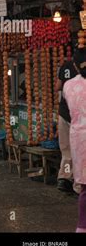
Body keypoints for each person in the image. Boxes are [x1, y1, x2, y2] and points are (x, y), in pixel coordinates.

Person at [62, 48, 86, 233]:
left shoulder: (68, 86)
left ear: (76, 66)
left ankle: (82, 227)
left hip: (79, 140)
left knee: (85, 187)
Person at [55, 57, 80, 194]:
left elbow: (57, 87)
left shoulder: (65, 65)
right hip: (79, 117)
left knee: (67, 150)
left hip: (64, 113)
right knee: (80, 151)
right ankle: (78, 185)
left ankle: (64, 178)